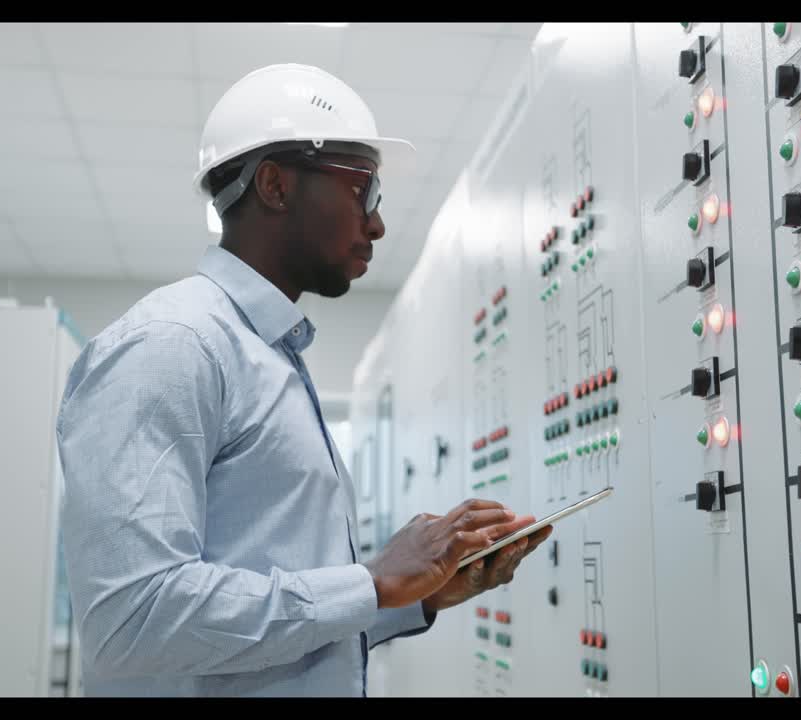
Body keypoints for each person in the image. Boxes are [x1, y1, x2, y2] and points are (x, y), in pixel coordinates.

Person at [55, 63, 552, 697]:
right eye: (365, 190)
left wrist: (410, 598)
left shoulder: (270, 356)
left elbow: (273, 628)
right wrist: (370, 583)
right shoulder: (174, 345)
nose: (377, 224)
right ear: (275, 185)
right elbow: (129, 619)